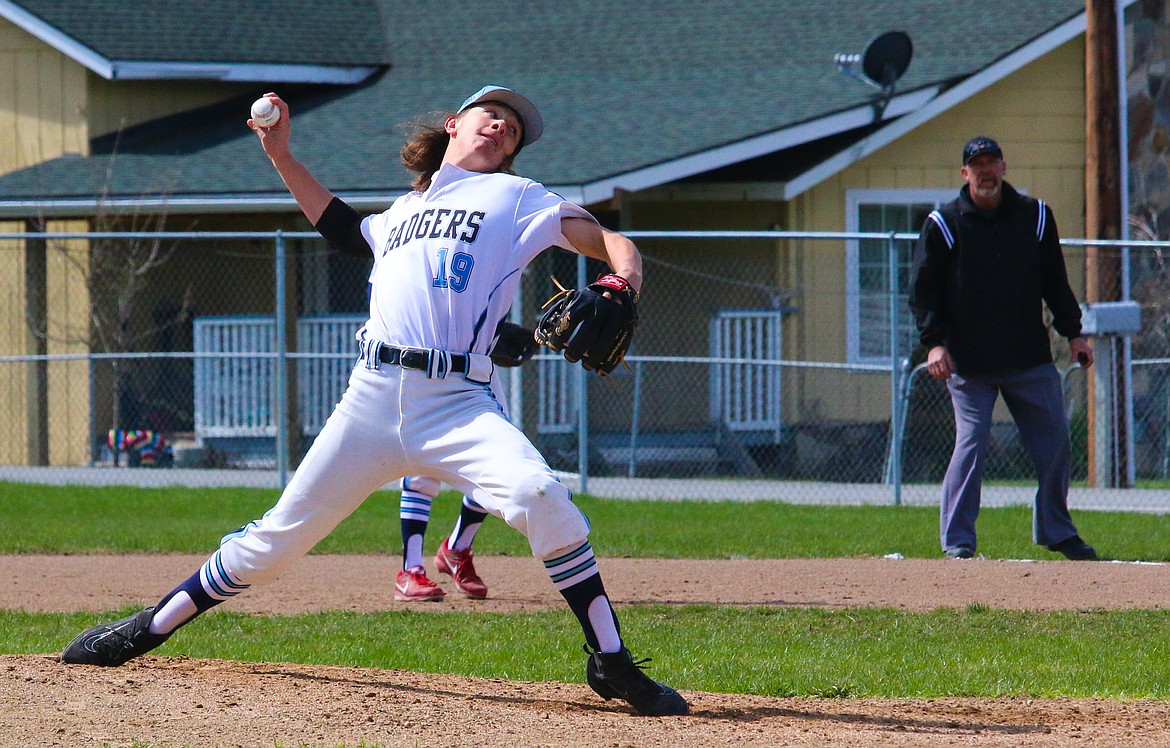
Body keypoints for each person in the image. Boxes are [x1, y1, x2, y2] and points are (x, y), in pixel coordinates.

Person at [60, 85, 689, 717]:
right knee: (276, 542)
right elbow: (337, 224)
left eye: (514, 129)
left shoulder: (518, 198)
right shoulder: (401, 212)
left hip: (458, 403)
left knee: (541, 495)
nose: (502, 125)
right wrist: (280, 153)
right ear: (453, 125)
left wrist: (621, 283)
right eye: (490, 113)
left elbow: (613, 242)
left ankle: (611, 661)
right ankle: (149, 627)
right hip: (370, 398)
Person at [908, 135, 1098, 562]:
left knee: (1055, 442)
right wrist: (934, 344)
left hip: (1027, 358)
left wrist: (1075, 334)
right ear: (965, 174)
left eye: (992, 163)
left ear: (1004, 167)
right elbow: (923, 290)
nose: (986, 171)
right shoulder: (944, 223)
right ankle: (958, 541)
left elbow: (1055, 281)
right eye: (978, 166)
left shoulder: (1035, 217)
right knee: (972, 441)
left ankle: (1057, 530)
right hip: (967, 362)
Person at [395, 321, 535, 602]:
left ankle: (457, 549)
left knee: (493, 464)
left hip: (478, 367)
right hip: (424, 362)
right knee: (420, 468)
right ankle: (410, 570)